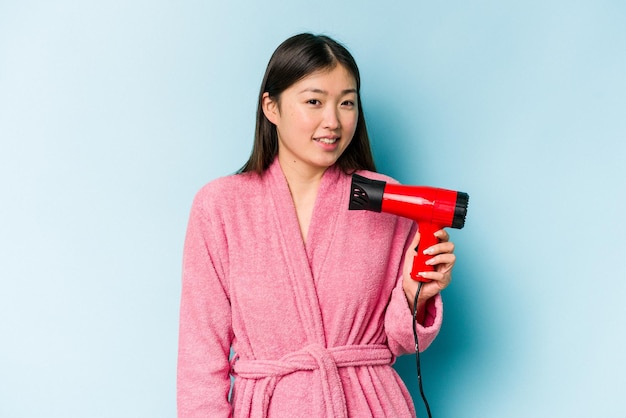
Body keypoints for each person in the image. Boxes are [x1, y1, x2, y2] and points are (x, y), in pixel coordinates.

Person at [177, 33, 456, 417]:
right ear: (271, 107)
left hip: (370, 405)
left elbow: (400, 340)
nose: (333, 121)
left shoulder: (385, 198)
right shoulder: (220, 207)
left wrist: (414, 294)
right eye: (314, 101)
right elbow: (200, 357)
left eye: (347, 103)